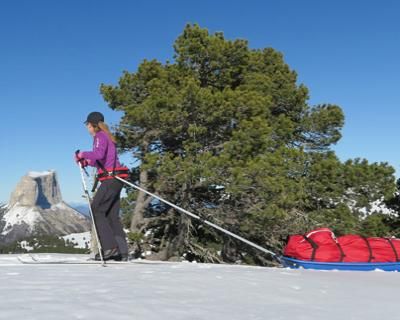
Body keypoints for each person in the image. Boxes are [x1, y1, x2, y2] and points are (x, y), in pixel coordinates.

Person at [75, 111, 129, 261]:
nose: (87, 128)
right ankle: (122, 252)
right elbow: (101, 159)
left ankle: (110, 248)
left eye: (87, 125)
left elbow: (97, 154)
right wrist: (86, 162)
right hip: (116, 179)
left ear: (93, 125)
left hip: (111, 180)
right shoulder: (106, 136)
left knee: (96, 209)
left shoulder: (100, 136)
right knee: (112, 215)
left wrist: (82, 154)